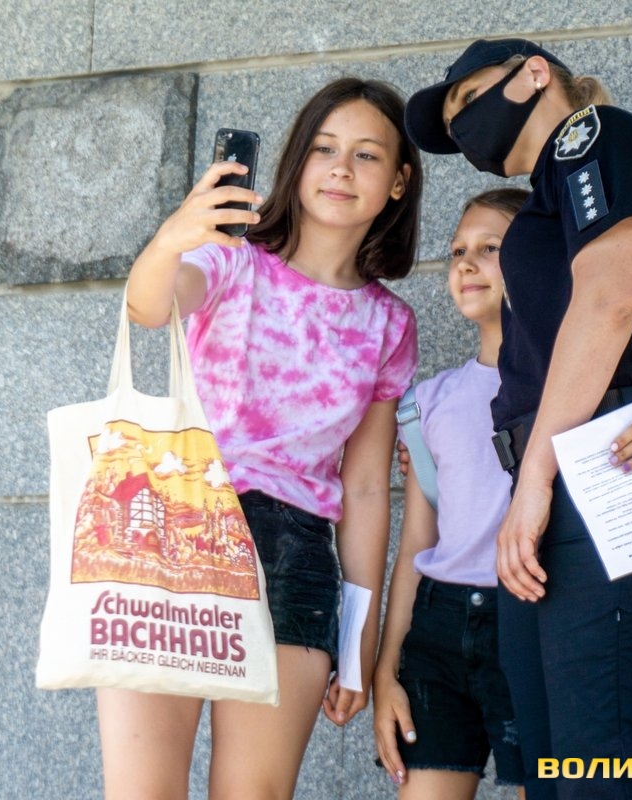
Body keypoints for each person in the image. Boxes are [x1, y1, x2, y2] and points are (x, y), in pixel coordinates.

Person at [404, 39, 632, 799]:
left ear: (534, 73)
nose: (461, 124)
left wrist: (537, 478)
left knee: (604, 778)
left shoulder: (594, 137)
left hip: (604, 470)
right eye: (451, 118)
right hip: (559, 484)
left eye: (467, 97)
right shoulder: (552, 188)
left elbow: (610, 301)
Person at [108, 77, 423, 800]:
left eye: (367, 155)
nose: (341, 169)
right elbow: (148, 306)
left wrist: (360, 640)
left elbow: (366, 489)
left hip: (294, 557)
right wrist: (177, 233)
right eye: (324, 149)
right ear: (296, 163)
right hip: (175, 532)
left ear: (398, 181)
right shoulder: (231, 260)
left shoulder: (388, 323)